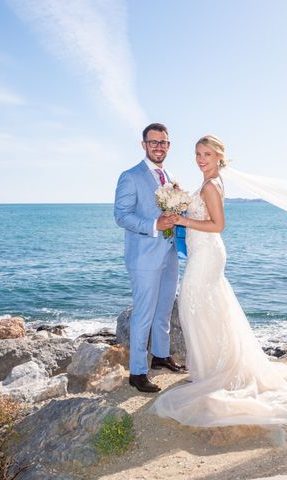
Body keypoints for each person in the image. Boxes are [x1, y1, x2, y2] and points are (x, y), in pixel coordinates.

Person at [150, 135, 287, 434]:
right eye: (197, 153)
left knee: (198, 307)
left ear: (219, 156)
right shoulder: (208, 183)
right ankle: (211, 368)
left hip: (206, 254)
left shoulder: (211, 185)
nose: (201, 158)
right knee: (206, 308)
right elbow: (202, 212)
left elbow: (218, 225)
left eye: (207, 153)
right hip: (203, 253)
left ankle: (214, 372)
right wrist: (182, 199)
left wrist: (181, 220)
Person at [114, 123, 186, 394]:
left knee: (164, 308)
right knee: (143, 313)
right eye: (153, 142)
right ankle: (138, 372)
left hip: (168, 253)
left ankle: (160, 355)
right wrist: (154, 223)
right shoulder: (130, 176)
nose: (158, 146)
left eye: (163, 142)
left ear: (169, 145)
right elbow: (121, 216)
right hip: (143, 256)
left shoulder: (167, 176)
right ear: (143, 144)